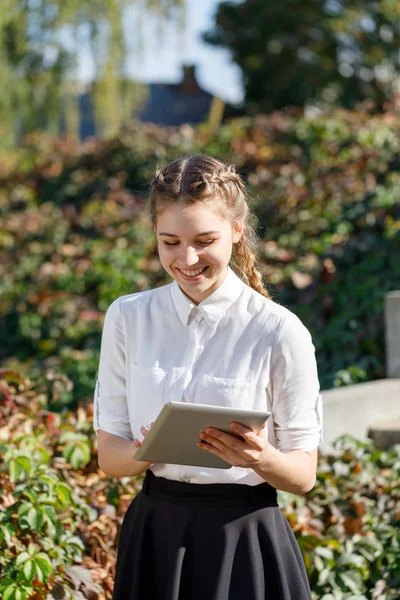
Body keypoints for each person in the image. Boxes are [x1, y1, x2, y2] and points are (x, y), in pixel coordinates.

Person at [93, 154, 323, 600]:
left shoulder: (279, 330)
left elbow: (303, 473)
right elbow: (110, 458)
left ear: (236, 232)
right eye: (170, 242)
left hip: (244, 542)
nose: (187, 258)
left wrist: (259, 457)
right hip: (155, 536)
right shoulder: (127, 317)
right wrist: (151, 447)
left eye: (205, 239)